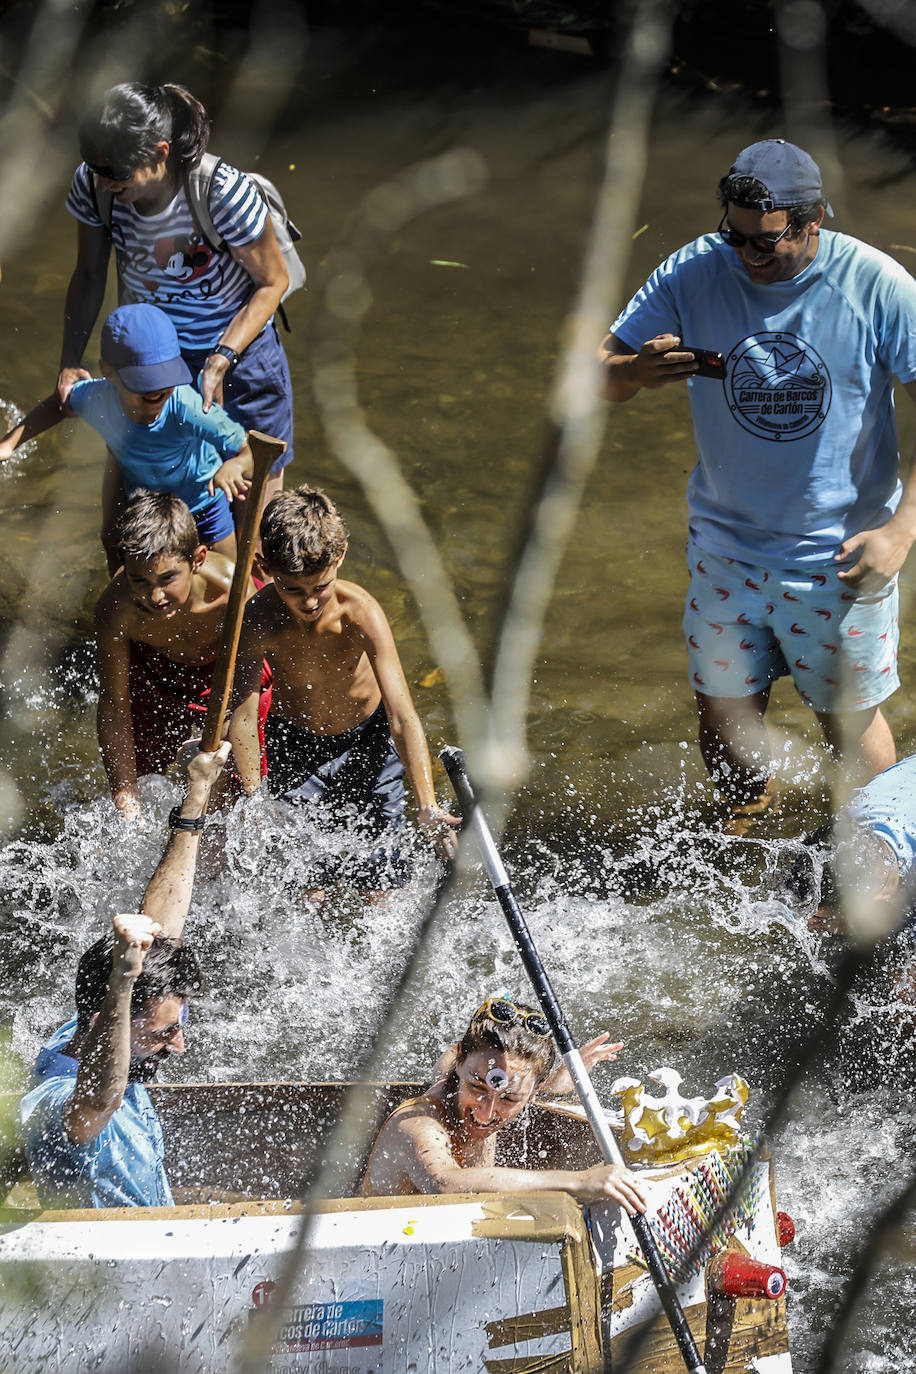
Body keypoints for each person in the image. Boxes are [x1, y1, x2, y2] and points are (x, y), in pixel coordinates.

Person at [599, 139, 916, 830]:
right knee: (722, 709)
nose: (747, 257)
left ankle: (880, 859)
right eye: (735, 238)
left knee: (848, 721)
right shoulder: (694, 268)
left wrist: (902, 531)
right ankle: (747, 820)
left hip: (838, 554)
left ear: (814, 222)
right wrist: (634, 375)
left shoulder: (878, 286)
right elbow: (600, 372)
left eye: (767, 243)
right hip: (725, 547)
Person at [58, 82, 294, 522]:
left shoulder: (220, 190)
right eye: (96, 168)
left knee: (253, 510)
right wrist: (71, 359)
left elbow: (272, 282)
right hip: (152, 363)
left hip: (242, 359)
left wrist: (222, 357)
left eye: (117, 173)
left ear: (160, 153)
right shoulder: (94, 186)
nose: (106, 183)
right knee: (162, 515)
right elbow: (89, 274)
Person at [18, 741, 230, 1208]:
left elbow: (164, 923)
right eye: (164, 1033)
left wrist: (197, 794)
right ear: (103, 1024)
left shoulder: (90, 1027)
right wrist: (120, 985)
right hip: (110, 1276)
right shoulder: (57, 1095)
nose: (180, 1043)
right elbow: (98, 1099)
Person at [229, 486, 460, 892]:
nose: (308, 603)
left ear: (340, 556)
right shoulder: (258, 618)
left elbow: (402, 714)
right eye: (292, 589)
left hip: (369, 744)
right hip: (295, 746)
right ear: (264, 568)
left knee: (380, 880)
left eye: (320, 586)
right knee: (306, 883)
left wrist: (427, 804)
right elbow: (245, 714)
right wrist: (252, 799)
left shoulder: (361, 613)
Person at [0, 303, 253, 571]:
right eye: (144, 380)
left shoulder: (187, 407)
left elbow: (249, 449)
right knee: (129, 570)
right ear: (108, 372)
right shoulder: (96, 398)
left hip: (203, 504)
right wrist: (9, 444)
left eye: (163, 376)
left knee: (228, 574)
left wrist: (234, 465)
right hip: (146, 506)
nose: (156, 389)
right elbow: (59, 405)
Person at [360, 995, 647, 1210]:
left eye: (509, 1098)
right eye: (476, 1086)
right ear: (459, 1062)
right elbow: (444, 1183)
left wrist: (563, 1079)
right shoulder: (419, 1123)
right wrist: (579, 1181)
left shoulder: (487, 1077)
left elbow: (523, 1082)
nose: (486, 1112)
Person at [94, 489, 270, 820]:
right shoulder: (116, 610)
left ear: (198, 559)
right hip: (155, 667)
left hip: (224, 666)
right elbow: (115, 708)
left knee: (234, 781)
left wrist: (252, 797)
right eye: (140, 580)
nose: (154, 595)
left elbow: (246, 700)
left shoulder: (234, 593)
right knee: (145, 780)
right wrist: (126, 800)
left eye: (167, 578)